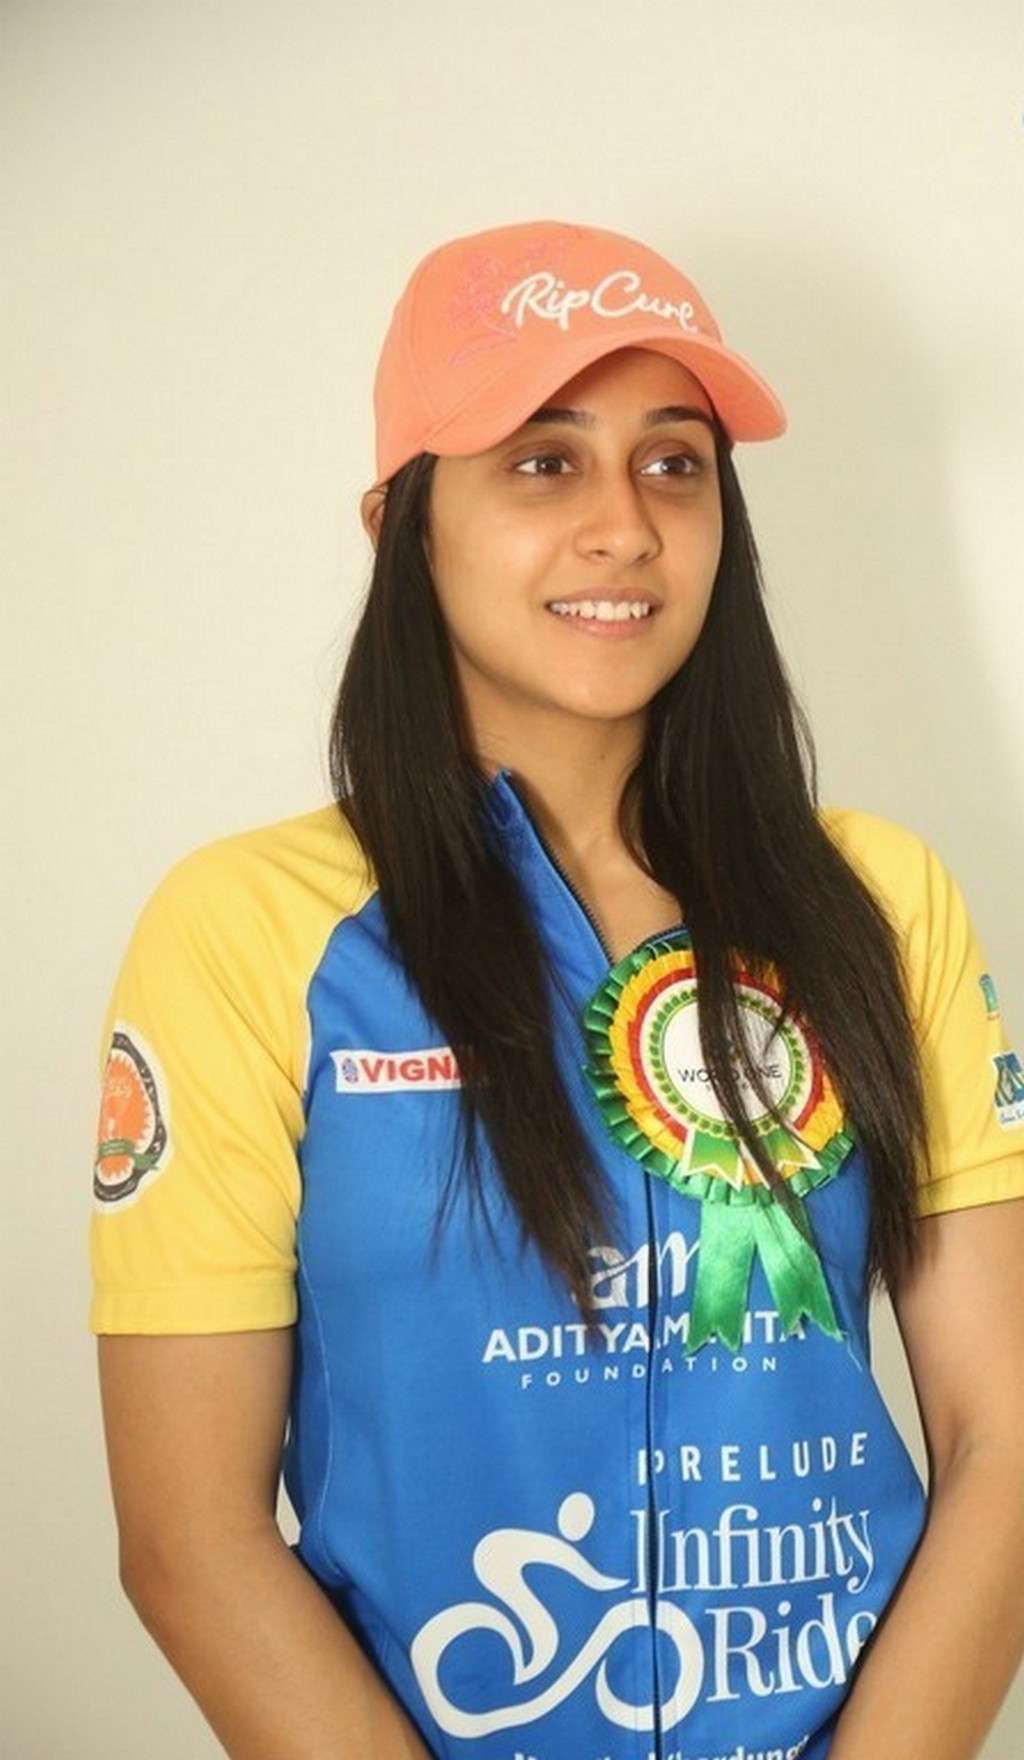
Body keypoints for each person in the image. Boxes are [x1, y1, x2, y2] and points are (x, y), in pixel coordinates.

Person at [92, 220, 1024, 1760]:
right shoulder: (248, 930)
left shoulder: (877, 899)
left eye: (674, 463)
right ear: (401, 523)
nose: (625, 526)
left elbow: (1005, 1444)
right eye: (543, 462)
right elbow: (192, 1541)